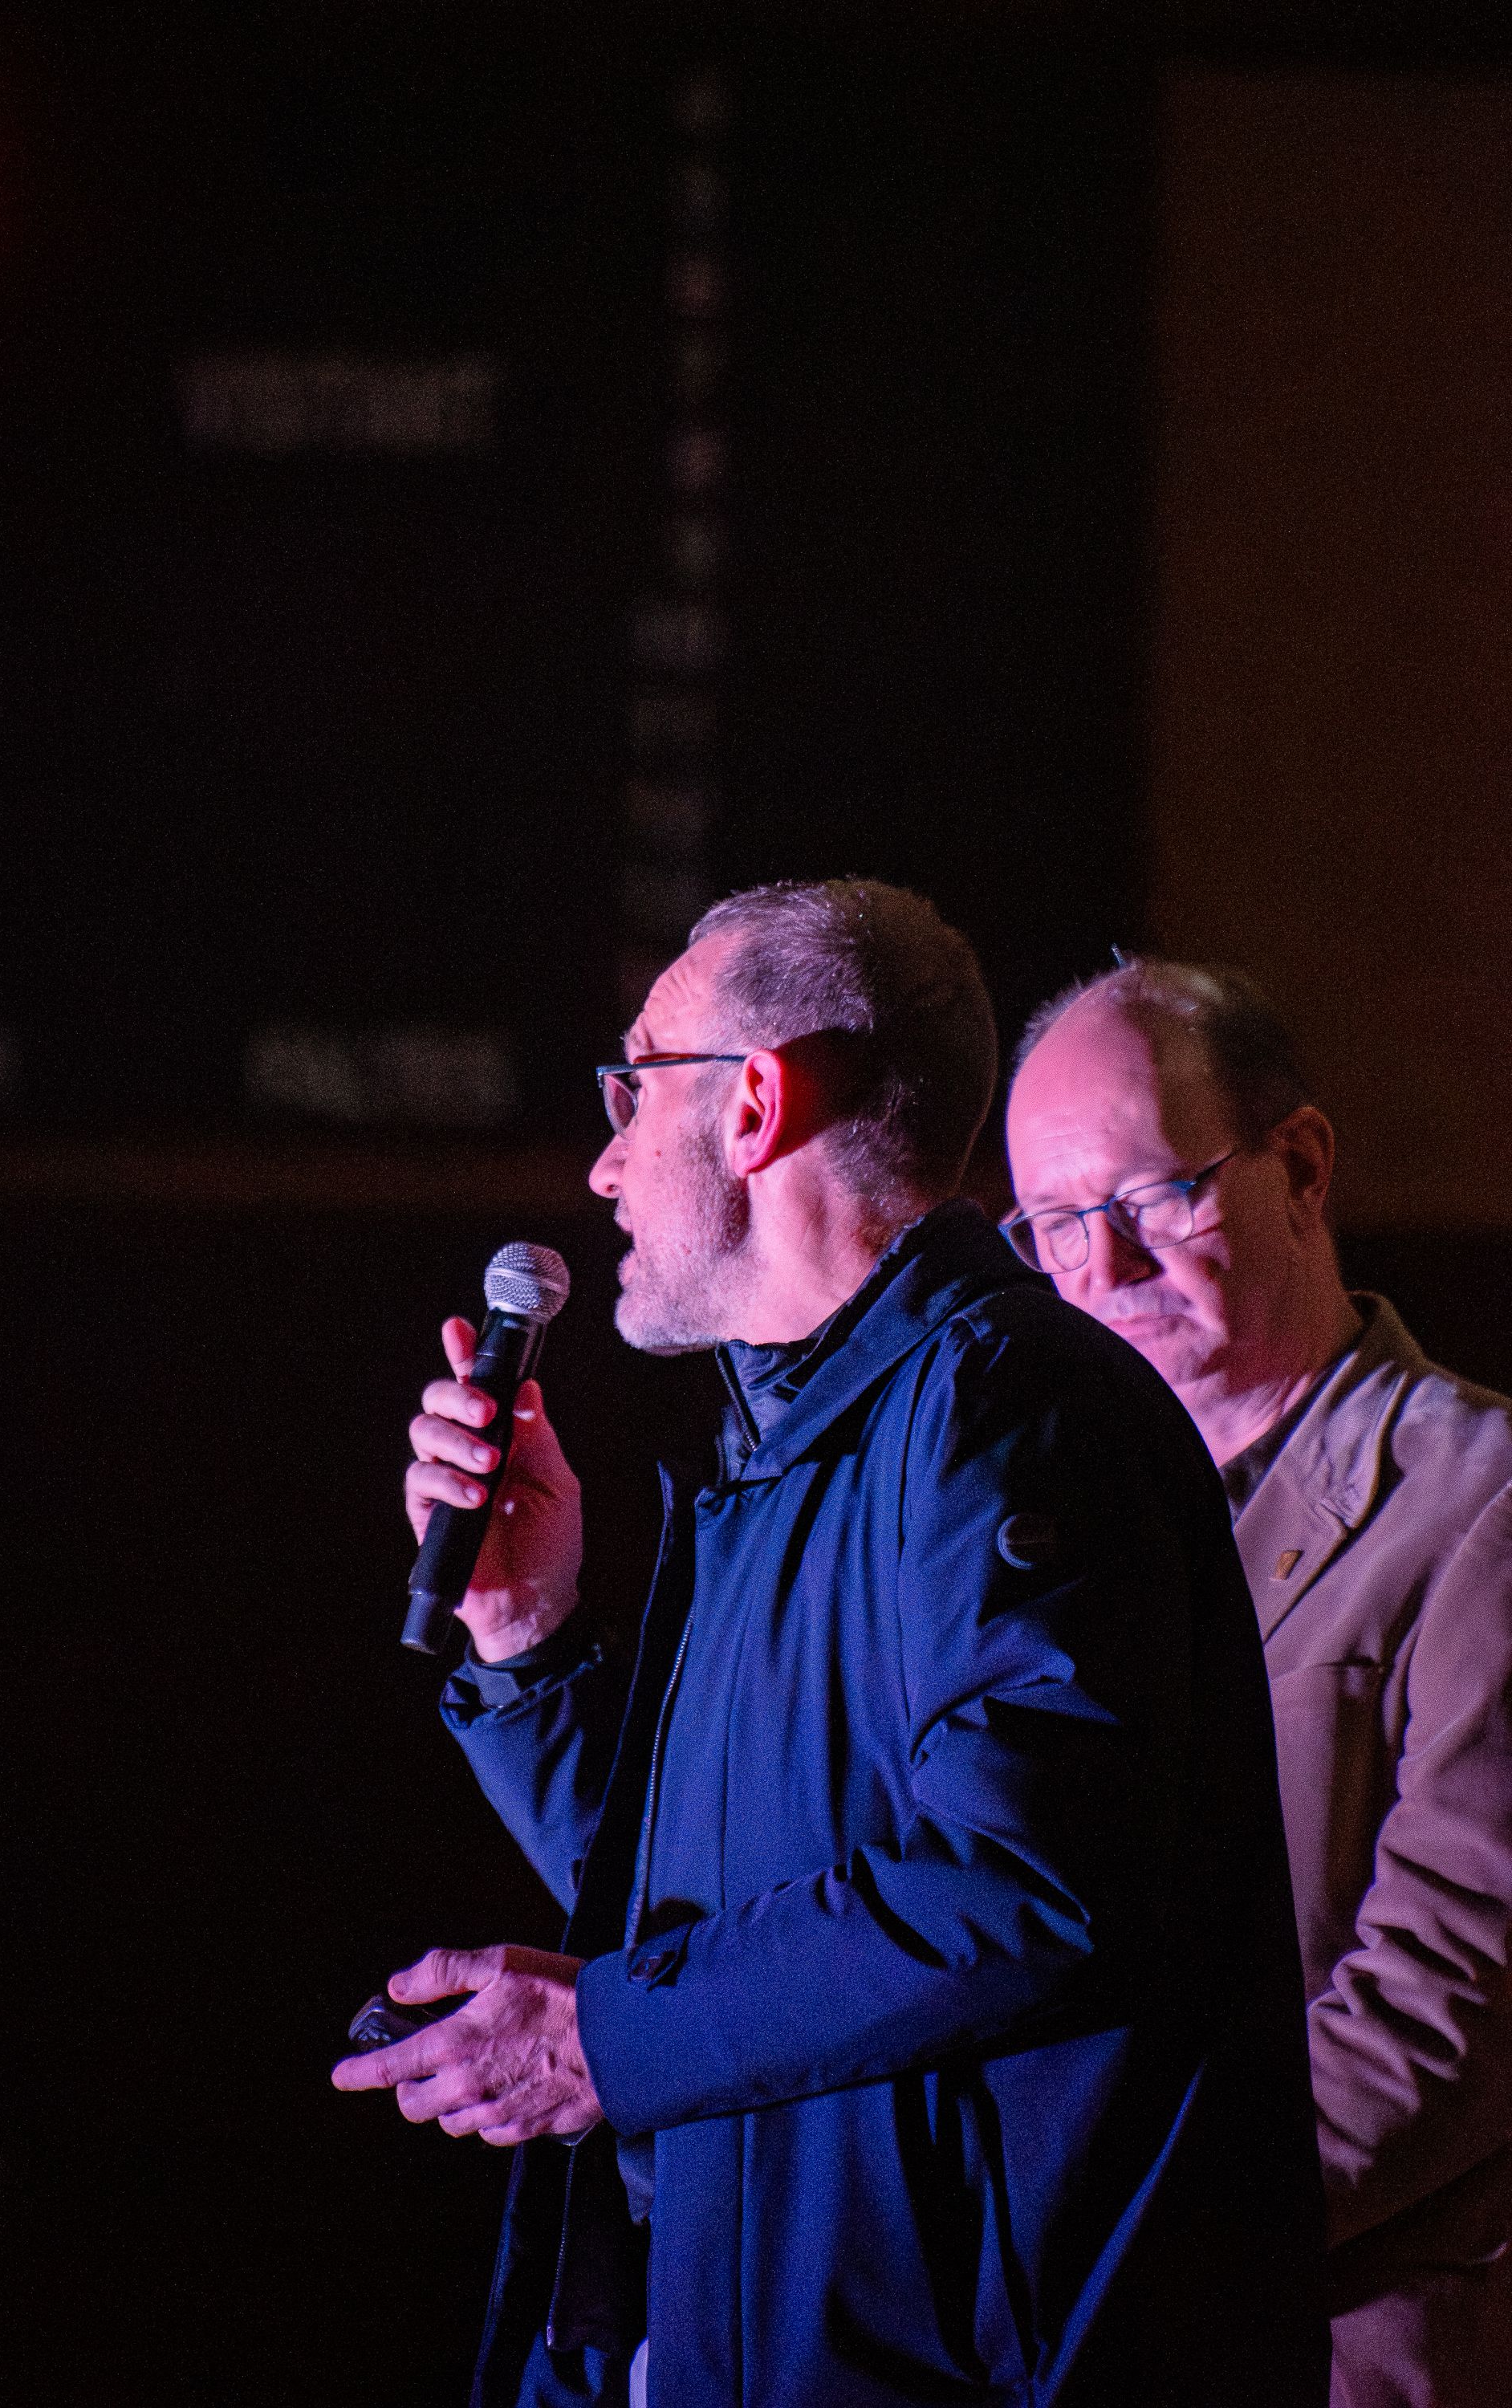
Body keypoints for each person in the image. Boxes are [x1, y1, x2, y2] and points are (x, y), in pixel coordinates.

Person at [335, 881, 1328, 2408]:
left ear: (753, 1102)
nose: (601, 1166)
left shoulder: (1013, 1415)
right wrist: (530, 1644)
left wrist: (604, 2037)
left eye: (633, 1083)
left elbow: (1023, 1889)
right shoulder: (787, 1450)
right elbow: (735, 1917)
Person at [1004, 957, 1512, 2408]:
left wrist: (1086, 2251)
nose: (1097, 1274)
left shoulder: (1482, 1507)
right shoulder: (1063, 1539)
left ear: (1301, 1166)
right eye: (1049, 1229)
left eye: (1147, 1200)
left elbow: (1442, 2016)